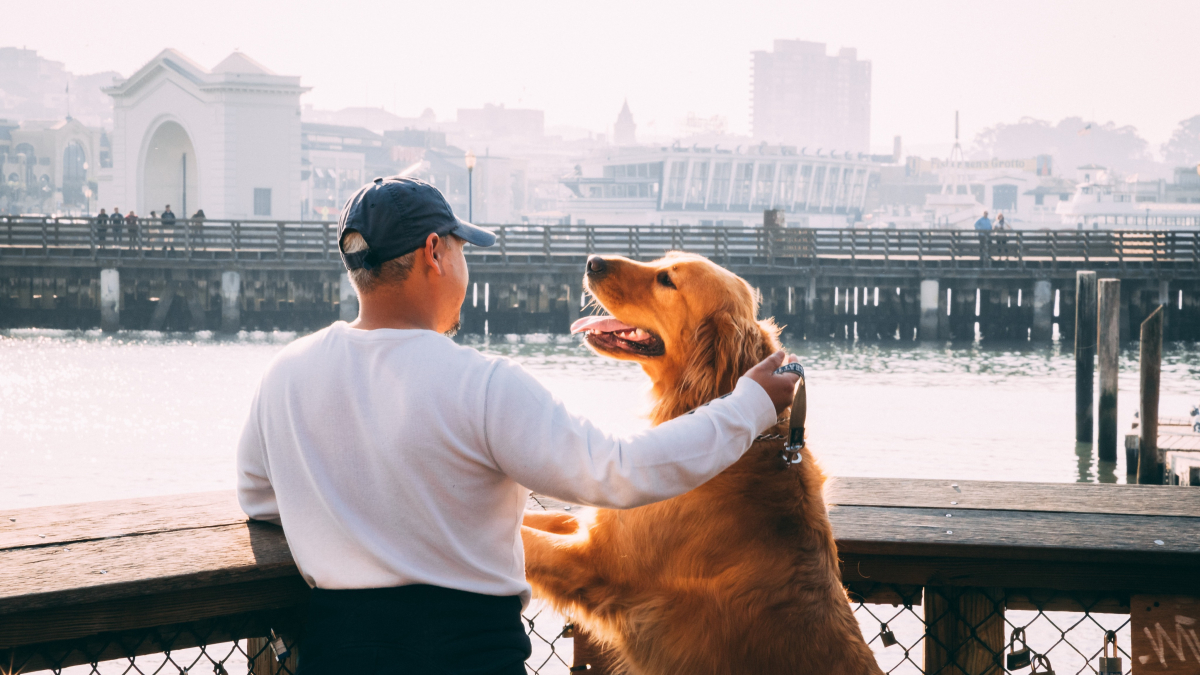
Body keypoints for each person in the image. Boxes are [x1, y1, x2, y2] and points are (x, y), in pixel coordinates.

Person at [236, 176, 802, 675]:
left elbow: (260, 502)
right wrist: (749, 406)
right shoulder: (481, 383)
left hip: (336, 653)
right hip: (467, 654)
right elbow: (617, 472)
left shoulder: (283, 374)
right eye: (462, 250)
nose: (464, 263)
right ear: (434, 253)